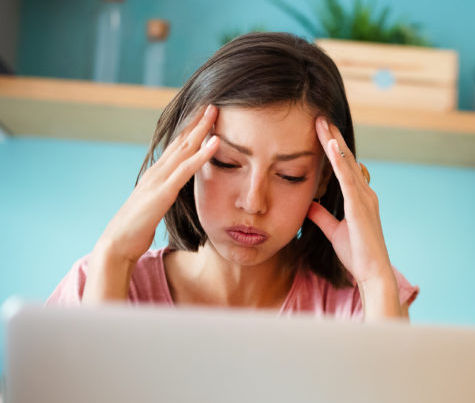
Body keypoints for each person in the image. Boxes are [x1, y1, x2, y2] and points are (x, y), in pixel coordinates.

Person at [48, 32, 417, 320]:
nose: (253, 203)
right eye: (226, 162)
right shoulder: (96, 279)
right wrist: (114, 256)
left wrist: (375, 280)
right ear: (184, 159)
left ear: (324, 180)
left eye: (290, 175)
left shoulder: (362, 301)